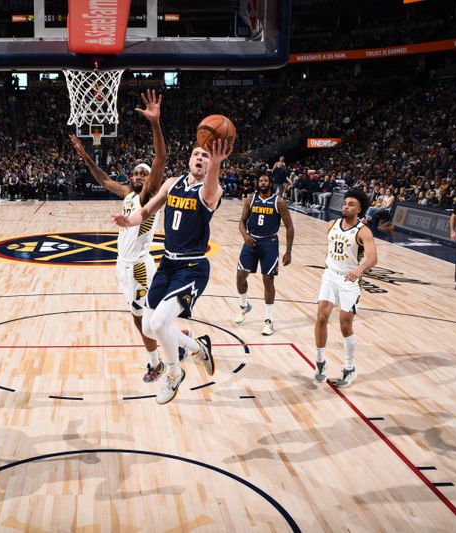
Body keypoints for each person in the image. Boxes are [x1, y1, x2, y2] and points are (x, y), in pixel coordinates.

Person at [113, 139, 231, 404]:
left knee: (158, 323)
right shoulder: (172, 184)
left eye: (206, 156)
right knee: (148, 326)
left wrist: (217, 163)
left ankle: (173, 374)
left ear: (210, 163)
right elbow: (146, 210)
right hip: (167, 263)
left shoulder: (211, 190)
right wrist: (127, 221)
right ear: (189, 159)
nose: (200, 158)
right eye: (196, 154)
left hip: (192, 267)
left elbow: (211, 193)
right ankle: (198, 346)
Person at [71, 90, 167, 382]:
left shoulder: (149, 193)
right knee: (142, 319)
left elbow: (161, 156)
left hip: (139, 264)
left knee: (144, 321)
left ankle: (156, 363)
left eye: (142, 173)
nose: (137, 175)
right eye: (135, 173)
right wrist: (85, 154)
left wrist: (155, 124)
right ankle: (183, 343)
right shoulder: (127, 192)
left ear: (150, 179)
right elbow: (102, 178)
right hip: (122, 264)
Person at [313, 190, 378, 388]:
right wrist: (327, 263)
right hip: (330, 275)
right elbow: (331, 247)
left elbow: (373, 258)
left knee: (345, 324)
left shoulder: (363, 231)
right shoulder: (331, 225)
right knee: (321, 317)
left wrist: (359, 270)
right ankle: (321, 362)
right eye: (345, 203)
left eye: (350, 204)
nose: (345, 206)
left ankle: (349, 368)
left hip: (349, 280)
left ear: (359, 209)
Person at [234, 174, 294, 335]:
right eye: (261, 180)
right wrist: (245, 235)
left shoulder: (279, 202)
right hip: (251, 242)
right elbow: (241, 222)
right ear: (257, 183)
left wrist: (288, 251)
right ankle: (244, 305)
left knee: (268, 280)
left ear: (270, 183)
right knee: (240, 276)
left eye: (266, 180)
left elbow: (289, 226)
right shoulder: (250, 200)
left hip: (269, 243)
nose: (263, 183)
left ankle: (268, 320)